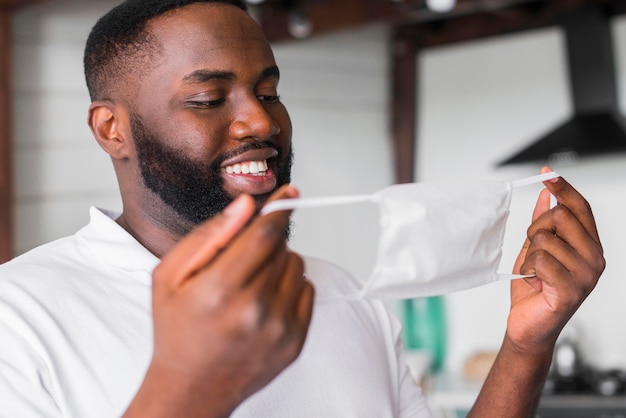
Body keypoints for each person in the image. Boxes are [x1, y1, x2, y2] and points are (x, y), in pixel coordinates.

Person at [0, 0, 605, 417]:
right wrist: (189, 387)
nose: (262, 121)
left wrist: (527, 345)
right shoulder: (19, 318)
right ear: (112, 130)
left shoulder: (341, 293)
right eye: (209, 98)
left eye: (269, 92)